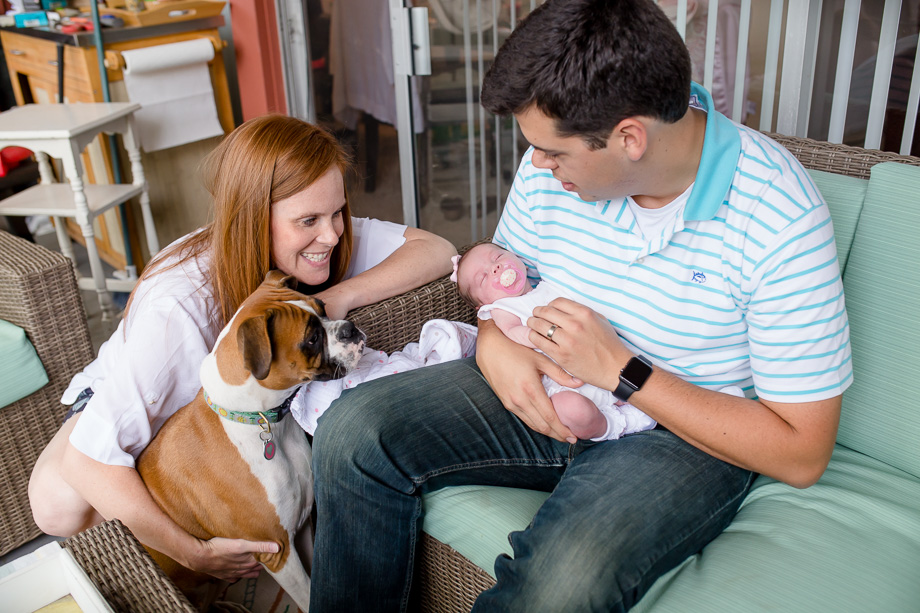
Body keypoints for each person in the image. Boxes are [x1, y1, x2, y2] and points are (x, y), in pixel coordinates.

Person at [309, 0, 852, 611]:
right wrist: (495, 349)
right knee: (351, 432)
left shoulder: (779, 216)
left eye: (554, 152)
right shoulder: (551, 171)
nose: (538, 164)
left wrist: (622, 371)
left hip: (682, 434)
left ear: (630, 138)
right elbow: (503, 287)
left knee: (565, 580)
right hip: (540, 375)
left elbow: (803, 452)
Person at [27, 114, 456, 582]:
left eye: (338, 212)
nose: (331, 235)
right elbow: (88, 459)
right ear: (254, 219)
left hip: (228, 415)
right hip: (145, 401)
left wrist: (329, 301)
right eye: (308, 220)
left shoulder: (319, 238)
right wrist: (194, 552)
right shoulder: (180, 308)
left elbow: (435, 248)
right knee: (58, 505)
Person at [452, 242, 659, 441]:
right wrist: (535, 336)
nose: (495, 268)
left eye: (497, 257)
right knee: (574, 410)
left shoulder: (548, 287)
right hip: (556, 379)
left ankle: (629, 406)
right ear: (481, 305)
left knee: (625, 374)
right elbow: (511, 330)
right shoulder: (501, 309)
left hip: (589, 359)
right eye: (484, 277)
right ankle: (610, 426)